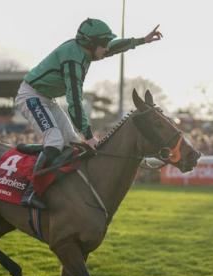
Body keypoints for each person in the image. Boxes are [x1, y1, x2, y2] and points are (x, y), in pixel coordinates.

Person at [15, 18, 163, 208]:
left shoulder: (87, 49)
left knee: (72, 142)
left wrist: (142, 40)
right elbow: (75, 102)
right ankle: (30, 192)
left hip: (47, 99)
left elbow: (113, 47)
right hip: (31, 96)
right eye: (103, 45)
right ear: (91, 44)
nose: (106, 49)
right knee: (55, 140)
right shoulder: (73, 61)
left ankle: (38, 157)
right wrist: (89, 135)